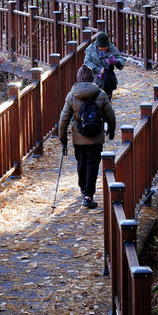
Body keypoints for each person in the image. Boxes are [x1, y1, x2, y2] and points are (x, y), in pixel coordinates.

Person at [58, 65, 116, 209]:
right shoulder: (100, 94)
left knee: (81, 162)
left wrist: (63, 136)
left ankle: (83, 189)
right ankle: (89, 195)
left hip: (79, 137)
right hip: (96, 136)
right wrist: (111, 130)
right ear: (92, 78)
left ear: (78, 78)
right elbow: (110, 114)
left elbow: (64, 119)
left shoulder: (72, 95)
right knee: (93, 164)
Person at [83, 31, 125, 100]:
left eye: (105, 47)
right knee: (96, 98)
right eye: (101, 47)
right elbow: (87, 61)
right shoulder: (91, 49)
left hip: (108, 78)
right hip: (95, 78)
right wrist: (99, 70)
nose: (103, 49)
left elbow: (120, 58)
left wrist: (116, 61)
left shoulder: (111, 48)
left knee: (107, 99)